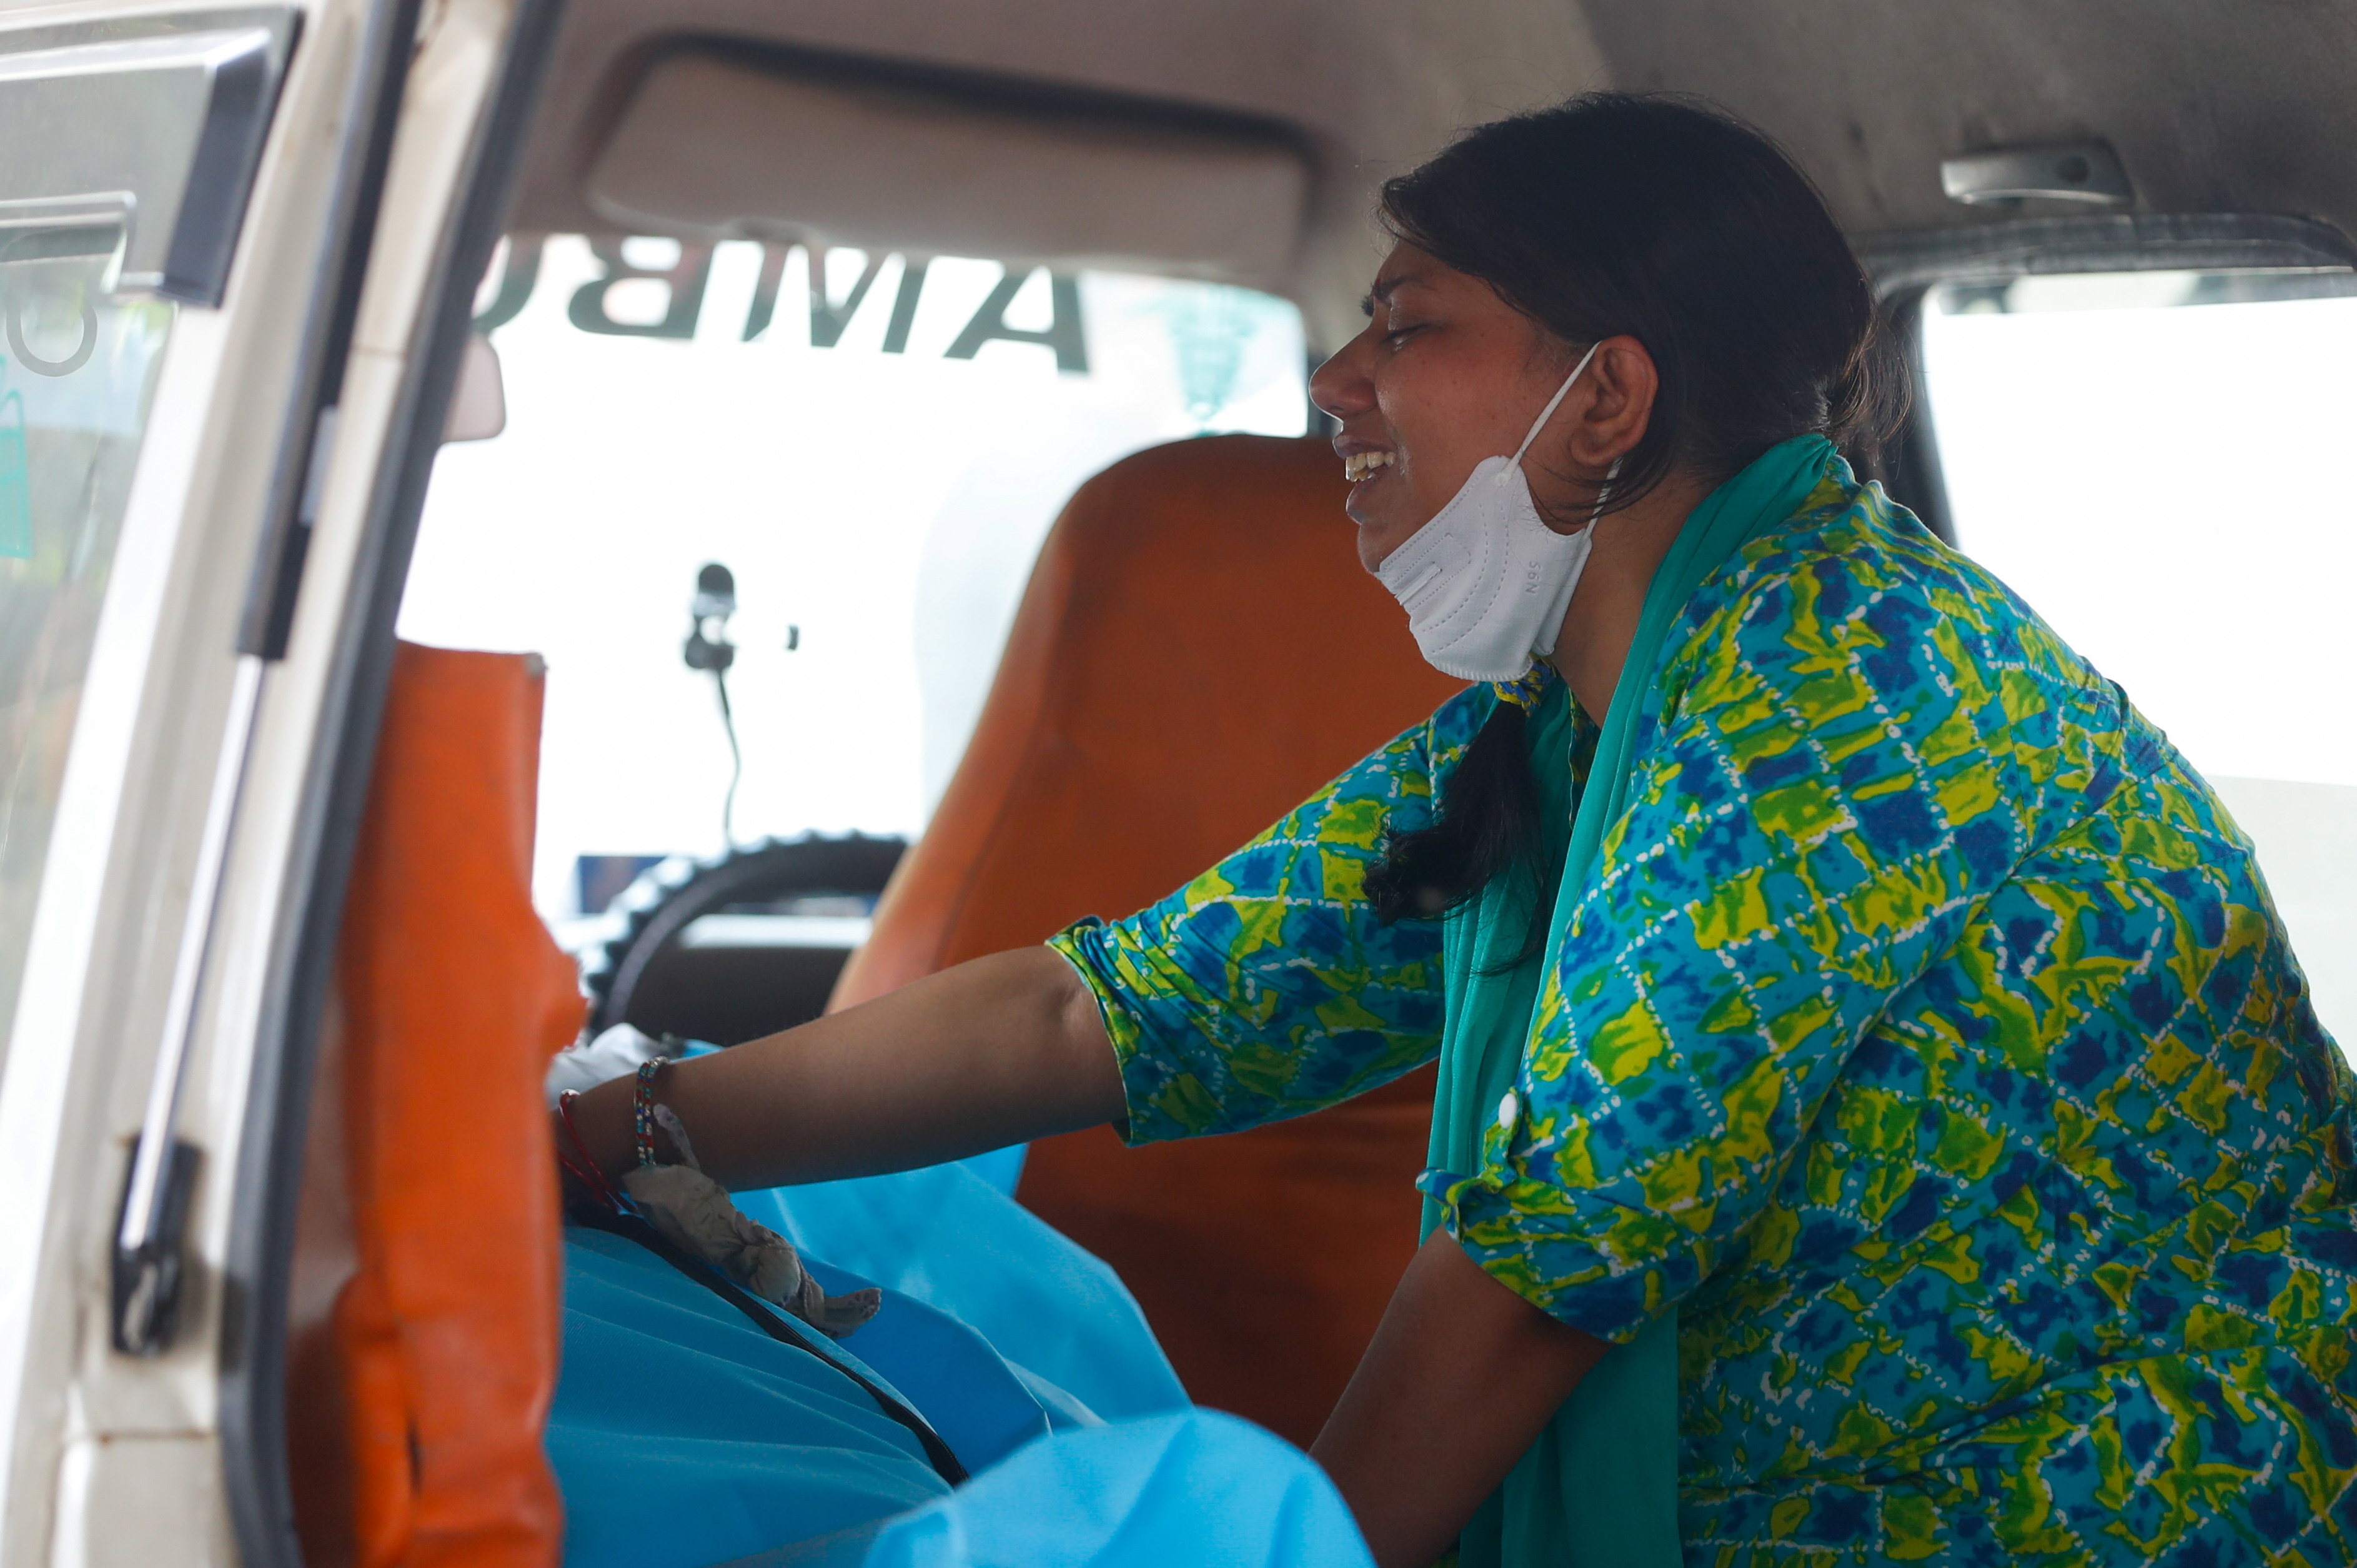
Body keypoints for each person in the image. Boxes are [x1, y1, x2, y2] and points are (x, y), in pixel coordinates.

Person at [564, 94, 2357, 1567]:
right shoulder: (1578, 720)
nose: (1337, 385)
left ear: (1609, 400)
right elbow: (1109, 1008)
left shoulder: (1839, 701)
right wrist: (624, 1120)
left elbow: (1534, 1275)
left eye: (1410, 327)